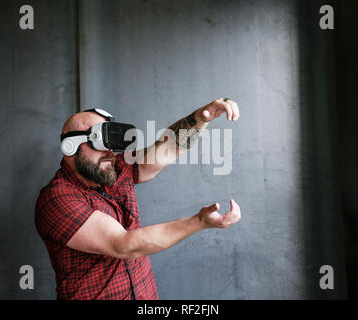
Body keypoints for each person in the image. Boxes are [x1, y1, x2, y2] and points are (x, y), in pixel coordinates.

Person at [35, 98, 241, 300]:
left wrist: (202, 117)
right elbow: (123, 245)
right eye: (99, 143)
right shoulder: (56, 198)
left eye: (111, 143)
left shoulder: (113, 168)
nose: (109, 152)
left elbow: (167, 149)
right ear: (71, 146)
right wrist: (198, 222)